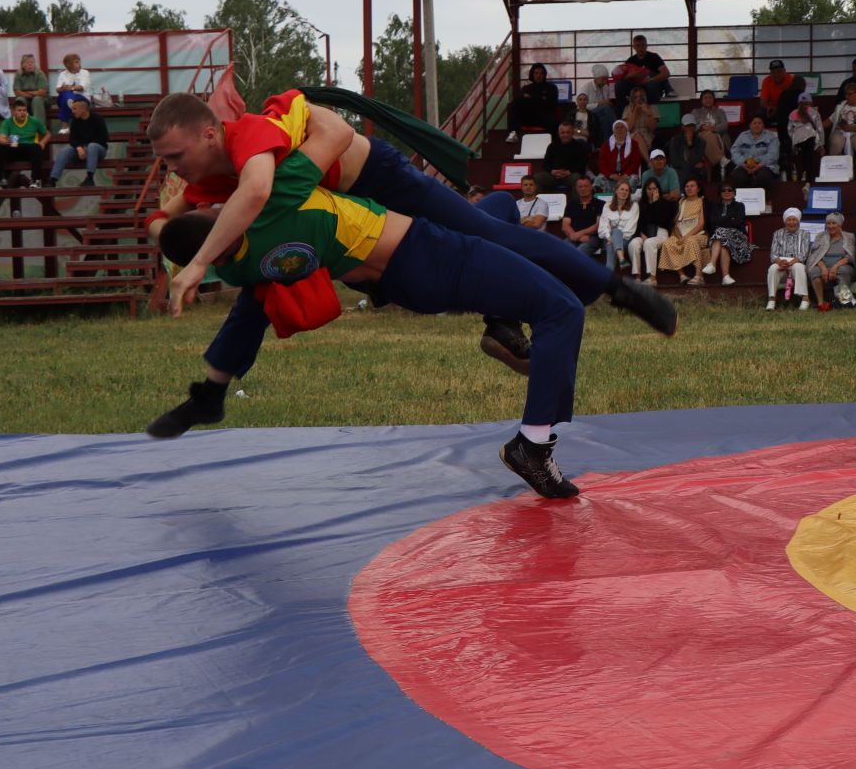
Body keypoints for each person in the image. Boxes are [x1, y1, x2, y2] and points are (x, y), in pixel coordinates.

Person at [142, 87, 674, 427]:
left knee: (495, 238)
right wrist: (164, 228)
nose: (174, 169)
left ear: (210, 134)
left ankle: (619, 290)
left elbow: (255, 193)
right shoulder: (206, 172)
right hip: (351, 212)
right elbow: (167, 214)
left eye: (175, 157)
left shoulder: (249, 140)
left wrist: (195, 266)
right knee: (262, 289)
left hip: (383, 181)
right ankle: (210, 392)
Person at [153, 149, 592, 499]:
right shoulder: (270, 214)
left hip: (405, 233)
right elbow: (331, 132)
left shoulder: (240, 236)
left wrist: (170, 232)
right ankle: (531, 439)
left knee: (500, 209)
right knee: (559, 306)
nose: (214, 202)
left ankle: (502, 320)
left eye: (174, 158)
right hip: (411, 248)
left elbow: (175, 224)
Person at [0, 93, 51, 188]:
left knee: (37, 147)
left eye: (24, 110)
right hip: (14, 148)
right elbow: (0, 138)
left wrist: (42, 143)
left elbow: (47, 134)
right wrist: (5, 141)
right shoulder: (8, 122)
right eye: (19, 110)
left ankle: (35, 180)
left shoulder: (34, 121)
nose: (22, 113)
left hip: (29, 149)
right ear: (13, 112)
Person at [50, 94, 111, 185]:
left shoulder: (97, 119)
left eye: (75, 109)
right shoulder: (75, 121)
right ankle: (53, 179)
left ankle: (89, 178)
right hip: (81, 151)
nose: (72, 111)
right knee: (65, 151)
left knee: (92, 146)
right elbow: (72, 139)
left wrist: (86, 147)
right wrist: (79, 148)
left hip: (98, 150)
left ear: (83, 109)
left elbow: (104, 138)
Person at [659, 176, 710, 284]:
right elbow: (676, 223)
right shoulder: (681, 201)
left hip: (698, 234)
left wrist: (686, 237)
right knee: (667, 243)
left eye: (692, 186)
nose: (689, 188)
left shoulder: (702, 201)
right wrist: (680, 237)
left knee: (691, 241)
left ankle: (699, 276)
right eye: (687, 186)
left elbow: (701, 224)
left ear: (698, 189)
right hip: (681, 234)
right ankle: (682, 275)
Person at [703, 180, 753, 286]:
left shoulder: (739, 206)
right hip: (721, 239)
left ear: (734, 193)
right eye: (723, 190)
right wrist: (730, 218)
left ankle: (712, 263)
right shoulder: (715, 207)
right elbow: (712, 221)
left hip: (738, 237)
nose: (727, 192)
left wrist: (721, 221)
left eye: (730, 190)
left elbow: (738, 222)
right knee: (723, 242)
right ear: (720, 193)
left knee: (720, 232)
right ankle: (725, 276)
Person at [765, 208, 815, 309]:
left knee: (798, 267)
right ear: (785, 221)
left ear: (798, 221)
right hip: (781, 264)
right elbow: (773, 254)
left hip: (796, 263)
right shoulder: (777, 233)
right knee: (773, 268)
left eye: (794, 219)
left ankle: (805, 298)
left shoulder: (805, 234)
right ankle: (771, 299)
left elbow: (804, 254)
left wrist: (789, 263)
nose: (791, 222)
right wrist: (779, 262)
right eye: (789, 220)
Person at [630, 176, 672, 283]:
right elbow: (638, 222)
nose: (652, 191)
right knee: (633, 243)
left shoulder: (665, 203)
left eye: (654, 188)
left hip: (660, 232)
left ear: (658, 189)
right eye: (649, 189)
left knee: (649, 243)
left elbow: (662, 221)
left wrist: (655, 203)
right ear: (645, 190)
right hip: (645, 233)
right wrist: (641, 234)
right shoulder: (641, 204)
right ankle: (637, 277)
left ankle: (652, 278)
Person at [811, 213, 856, 309]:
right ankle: (821, 303)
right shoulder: (820, 236)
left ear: (839, 224)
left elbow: (850, 256)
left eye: (833, 223)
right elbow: (814, 256)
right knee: (814, 271)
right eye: (828, 223)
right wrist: (823, 268)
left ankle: (844, 302)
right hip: (823, 264)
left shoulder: (849, 237)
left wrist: (835, 267)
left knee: (842, 270)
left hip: (843, 264)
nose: (830, 226)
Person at [506, 63, 562, 141]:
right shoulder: (526, 88)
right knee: (516, 103)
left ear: (545, 74)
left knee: (555, 122)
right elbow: (523, 104)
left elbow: (551, 104)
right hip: (530, 116)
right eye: (536, 73)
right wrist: (541, 99)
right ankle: (513, 133)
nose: (539, 75)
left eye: (541, 73)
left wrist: (532, 98)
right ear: (532, 74)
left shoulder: (552, 88)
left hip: (545, 116)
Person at [535, 117, 590, 193]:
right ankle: (538, 204)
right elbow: (545, 164)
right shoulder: (552, 146)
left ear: (572, 133)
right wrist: (552, 171)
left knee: (577, 178)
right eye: (563, 132)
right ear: (559, 133)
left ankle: (575, 203)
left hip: (570, 176)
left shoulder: (579, 146)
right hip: (553, 177)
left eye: (568, 132)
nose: (565, 135)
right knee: (537, 178)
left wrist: (569, 172)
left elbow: (582, 166)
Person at [597, 178, 640, 274]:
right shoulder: (607, 206)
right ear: (616, 190)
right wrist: (609, 237)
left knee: (616, 233)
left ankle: (607, 278)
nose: (624, 192)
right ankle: (621, 259)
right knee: (614, 235)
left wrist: (613, 238)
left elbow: (630, 230)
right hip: (608, 239)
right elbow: (603, 226)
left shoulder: (634, 207)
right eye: (622, 189)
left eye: (627, 190)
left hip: (625, 240)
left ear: (629, 193)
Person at [614, 34, 669, 106]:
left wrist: (650, 80)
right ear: (633, 47)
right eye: (637, 46)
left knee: (651, 86)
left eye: (643, 45)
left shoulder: (654, 57)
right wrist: (631, 75)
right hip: (636, 86)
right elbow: (624, 78)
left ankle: (652, 113)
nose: (640, 48)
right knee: (619, 85)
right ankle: (624, 113)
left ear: (646, 46)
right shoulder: (631, 60)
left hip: (652, 85)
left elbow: (666, 73)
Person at [728, 114, 779, 189]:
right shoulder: (742, 135)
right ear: (750, 125)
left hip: (765, 165)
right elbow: (734, 151)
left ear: (763, 125)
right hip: (745, 165)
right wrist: (744, 164)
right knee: (737, 176)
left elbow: (773, 154)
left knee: (763, 176)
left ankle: (766, 199)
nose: (757, 125)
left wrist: (758, 165)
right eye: (754, 123)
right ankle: (742, 200)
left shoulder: (771, 136)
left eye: (759, 123)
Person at [596, 116, 644, 193]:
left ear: (626, 130)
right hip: (611, 176)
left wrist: (625, 175)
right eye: (617, 128)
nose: (619, 129)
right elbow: (601, 163)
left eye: (622, 127)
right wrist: (610, 175)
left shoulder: (633, 144)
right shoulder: (606, 145)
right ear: (613, 131)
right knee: (598, 179)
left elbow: (636, 162)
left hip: (627, 176)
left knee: (633, 179)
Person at [559, 175, 601, 258]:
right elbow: (565, 225)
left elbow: (597, 226)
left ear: (591, 187)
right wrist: (574, 236)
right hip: (572, 237)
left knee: (579, 253)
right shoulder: (571, 204)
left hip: (592, 238)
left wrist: (577, 235)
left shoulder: (600, 203)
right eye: (580, 186)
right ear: (576, 189)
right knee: (562, 250)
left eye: (586, 186)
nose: (583, 189)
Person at [786, 92, 823, 183]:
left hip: (797, 140)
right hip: (810, 137)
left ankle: (800, 174)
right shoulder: (814, 112)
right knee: (809, 155)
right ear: (811, 102)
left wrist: (793, 141)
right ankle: (808, 177)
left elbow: (789, 129)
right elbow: (819, 128)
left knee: (801, 155)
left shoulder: (793, 113)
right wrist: (821, 144)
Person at [580, 63, 618, 145]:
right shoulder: (586, 87)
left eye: (606, 79)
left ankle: (607, 144)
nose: (605, 82)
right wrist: (600, 103)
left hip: (600, 114)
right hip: (588, 113)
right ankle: (618, 127)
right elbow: (581, 106)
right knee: (606, 108)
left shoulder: (605, 87)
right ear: (596, 78)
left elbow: (608, 102)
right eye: (603, 79)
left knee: (604, 120)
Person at [13, 52, 50, 124]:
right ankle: (21, 126)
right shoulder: (18, 74)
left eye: (32, 62)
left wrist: (26, 93)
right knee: (19, 100)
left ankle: (39, 127)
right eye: (27, 63)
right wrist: (34, 93)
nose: (30, 64)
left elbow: (42, 92)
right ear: (22, 65)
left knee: (37, 100)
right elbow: (17, 92)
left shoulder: (40, 74)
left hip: (42, 99)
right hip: (25, 99)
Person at [54, 52, 91, 122]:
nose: (80, 64)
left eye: (79, 61)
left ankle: (64, 126)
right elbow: (57, 89)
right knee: (65, 94)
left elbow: (82, 87)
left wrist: (71, 88)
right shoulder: (63, 74)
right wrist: (62, 88)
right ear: (68, 64)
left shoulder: (85, 73)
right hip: (66, 98)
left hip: (82, 99)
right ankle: (71, 103)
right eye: (76, 62)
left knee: (66, 97)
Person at [759, 59, 798, 124]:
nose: (776, 75)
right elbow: (762, 102)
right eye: (773, 72)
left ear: (784, 71)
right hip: (773, 110)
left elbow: (795, 102)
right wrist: (768, 107)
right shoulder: (766, 81)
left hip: (787, 109)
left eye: (779, 71)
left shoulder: (792, 80)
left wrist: (779, 109)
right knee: (760, 113)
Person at [622, 88, 661, 154]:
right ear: (632, 99)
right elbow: (627, 128)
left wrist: (648, 113)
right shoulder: (627, 109)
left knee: (640, 138)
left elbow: (653, 128)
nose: (638, 99)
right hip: (632, 135)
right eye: (636, 97)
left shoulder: (653, 108)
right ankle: (648, 161)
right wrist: (635, 112)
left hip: (647, 135)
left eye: (640, 96)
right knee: (637, 135)